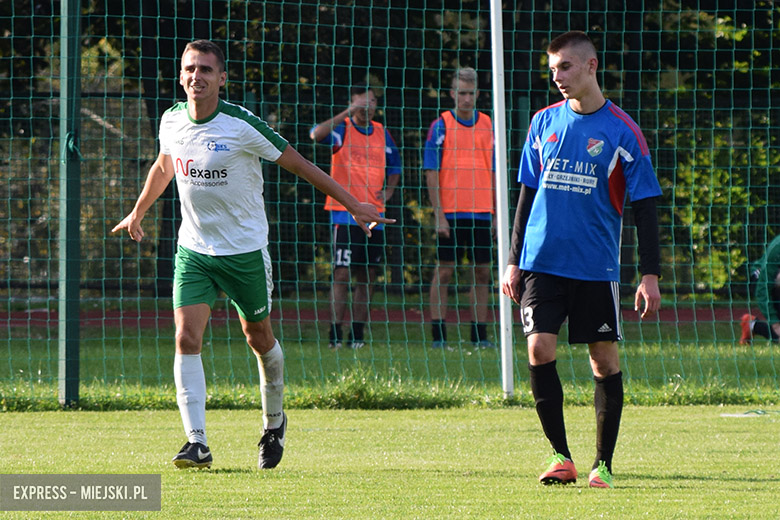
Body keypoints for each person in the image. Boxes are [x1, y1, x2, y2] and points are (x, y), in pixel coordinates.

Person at [112, 40, 393, 470]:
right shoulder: (171, 120)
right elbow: (164, 165)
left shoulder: (241, 125)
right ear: (181, 74)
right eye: (190, 68)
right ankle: (197, 442)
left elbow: (300, 164)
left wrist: (354, 204)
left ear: (221, 78)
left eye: (205, 69)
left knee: (258, 338)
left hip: (244, 252)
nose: (196, 76)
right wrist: (138, 210)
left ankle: (274, 422)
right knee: (186, 338)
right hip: (194, 251)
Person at [500, 31, 662, 489]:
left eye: (566, 67)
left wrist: (649, 275)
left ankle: (602, 465)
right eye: (553, 69)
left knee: (603, 361)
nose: (558, 77)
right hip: (540, 261)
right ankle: (560, 457)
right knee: (538, 348)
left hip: (595, 266)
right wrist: (513, 261)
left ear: (592, 67)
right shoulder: (541, 123)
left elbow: (645, 206)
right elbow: (526, 195)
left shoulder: (622, 131)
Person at [309, 83, 401, 349]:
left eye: (372, 101)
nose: (367, 106)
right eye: (362, 101)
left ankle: (357, 335)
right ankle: (335, 334)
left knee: (369, 275)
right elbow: (316, 134)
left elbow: (396, 165)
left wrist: (389, 190)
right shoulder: (343, 129)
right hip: (344, 215)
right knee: (341, 273)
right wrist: (346, 112)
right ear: (353, 102)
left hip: (375, 215)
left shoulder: (383, 133)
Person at [424, 67, 495, 350]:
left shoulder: (489, 124)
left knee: (481, 274)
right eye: (460, 93)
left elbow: (496, 171)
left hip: (481, 211)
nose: (465, 98)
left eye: (470, 93)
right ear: (452, 94)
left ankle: (479, 336)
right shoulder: (440, 125)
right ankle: (439, 336)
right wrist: (438, 213)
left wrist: (496, 215)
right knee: (444, 272)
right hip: (451, 214)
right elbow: (431, 171)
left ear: (477, 94)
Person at [740, 234, 780, 343]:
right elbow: (762, 289)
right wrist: (775, 324)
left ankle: (753, 325)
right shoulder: (777, 247)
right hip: (761, 279)